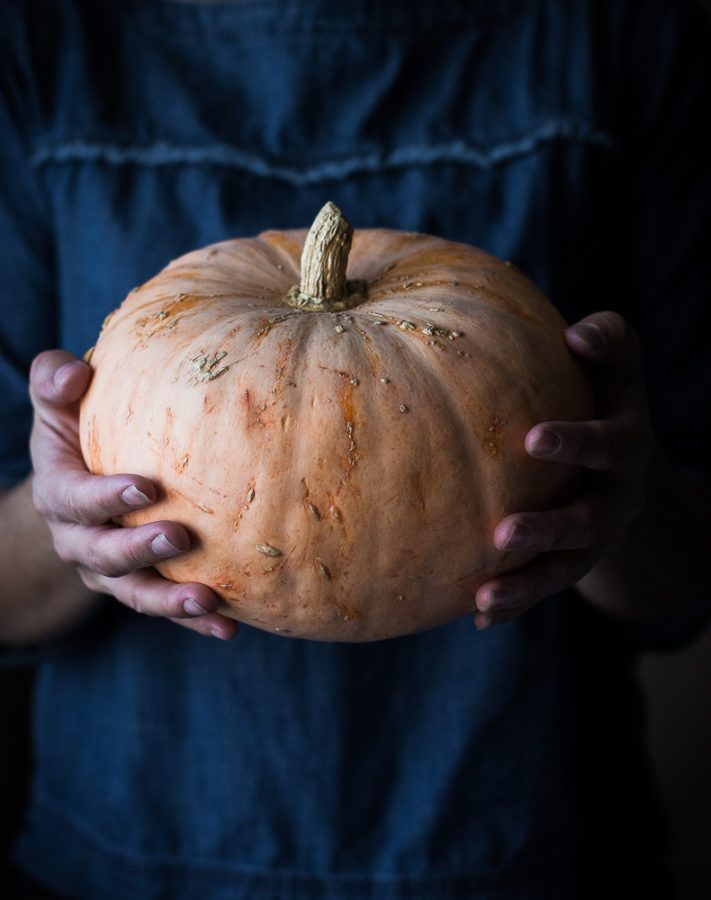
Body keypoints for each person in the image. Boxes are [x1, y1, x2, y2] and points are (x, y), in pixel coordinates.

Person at [1, 0, 709, 897]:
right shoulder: (40, 42)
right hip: (131, 851)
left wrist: (621, 505)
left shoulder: (630, 35)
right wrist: (64, 525)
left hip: (526, 843)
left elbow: (688, 570)